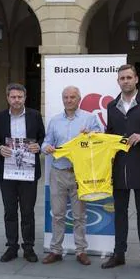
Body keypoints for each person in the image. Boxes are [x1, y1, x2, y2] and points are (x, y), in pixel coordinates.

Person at [101, 64, 140, 272]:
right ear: (118, 81)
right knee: (119, 212)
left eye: (129, 77)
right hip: (119, 167)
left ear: (136, 79)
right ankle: (118, 254)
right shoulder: (112, 106)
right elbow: (110, 133)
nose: (126, 81)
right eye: (122, 78)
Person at [41, 86, 102, 266]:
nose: (69, 100)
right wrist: (46, 148)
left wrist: (90, 135)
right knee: (58, 215)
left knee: (79, 216)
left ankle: (81, 250)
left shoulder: (89, 119)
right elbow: (46, 141)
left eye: (72, 97)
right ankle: (55, 250)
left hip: (79, 174)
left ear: (79, 99)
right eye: (66, 97)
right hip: (58, 172)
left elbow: (99, 139)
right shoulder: (54, 121)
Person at [0, 83, 45, 263]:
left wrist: (39, 145)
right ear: (8, 98)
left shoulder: (35, 115)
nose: (16, 100)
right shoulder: (0, 117)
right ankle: (12, 246)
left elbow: (42, 137)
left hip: (28, 171)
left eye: (19, 97)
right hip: (7, 172)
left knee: (28, 210)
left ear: (25, 98)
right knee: (10, 210)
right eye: (13, 97)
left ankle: (28, 247)